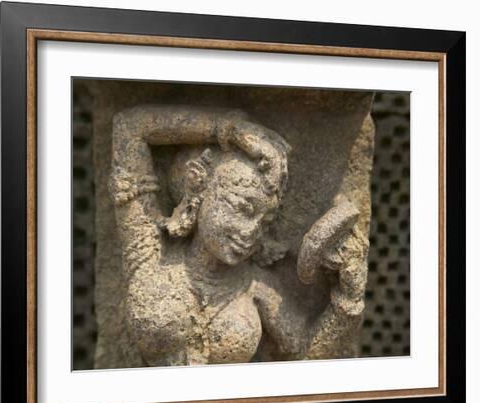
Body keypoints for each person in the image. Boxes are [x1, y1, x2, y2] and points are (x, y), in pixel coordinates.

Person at [109, 105, 368, 366]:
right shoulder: (149, 252)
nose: (251, 231)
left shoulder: (257, 288)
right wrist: (230, 131)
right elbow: (130, 128)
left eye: (264, 222)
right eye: (243, 209)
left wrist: (348, 301)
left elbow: (303, 355)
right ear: (200, 189)